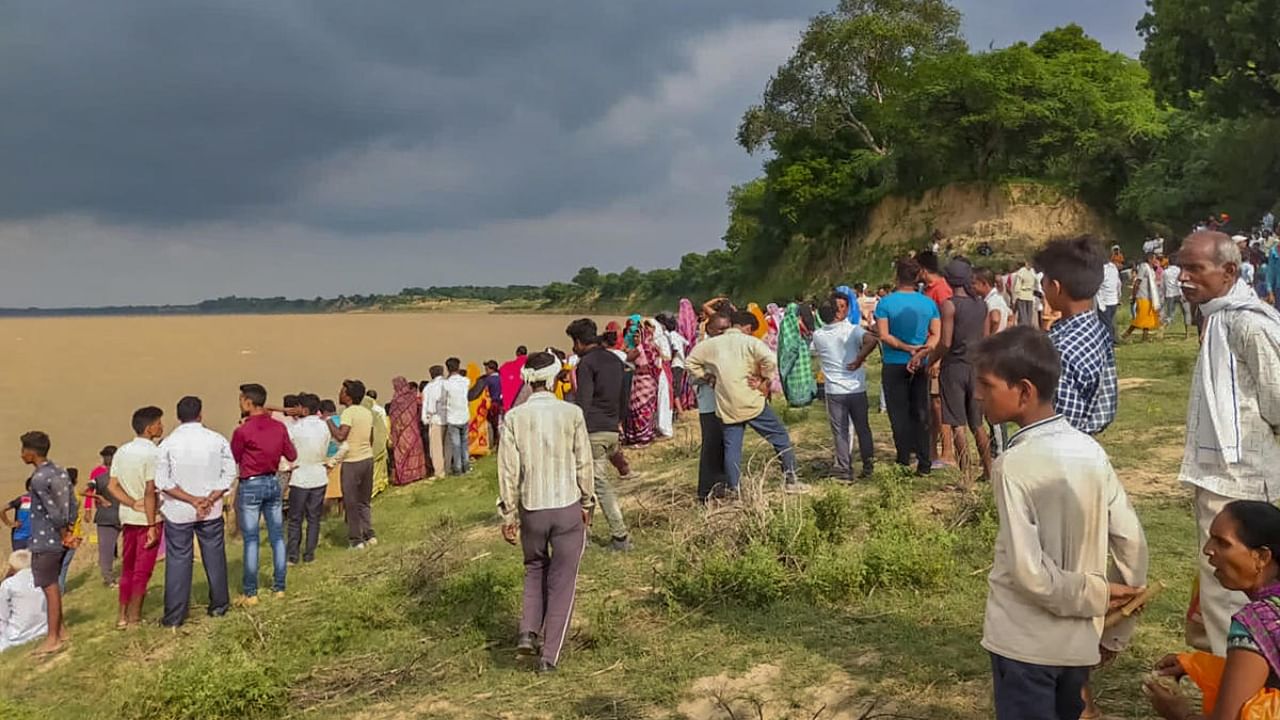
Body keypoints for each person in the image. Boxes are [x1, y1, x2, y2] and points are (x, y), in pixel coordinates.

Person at [971, 327, 1148, 720]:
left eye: (986, 384)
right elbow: (1132, 543)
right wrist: (1114, 630)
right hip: (1078, 644)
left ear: (1024, 391)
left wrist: (1097, 596)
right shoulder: (1090, 450)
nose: (979, 395)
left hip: (1022, 644)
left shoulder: (1012, 466)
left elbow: (1030, 574)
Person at [1176, 230, 1280, 657]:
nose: (1182, 277)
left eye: (1194, 268)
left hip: (1244, 485)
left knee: (1235, 598)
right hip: (1218, 478)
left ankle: (1238, 693)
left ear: (1229, 271)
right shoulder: (1217, 316)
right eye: (1180, 266)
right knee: (1218, 595)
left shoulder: (1249, 324)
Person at [497, 352, 594, 674]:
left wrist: (508, 515)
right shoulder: (572, 413)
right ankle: (549, 656)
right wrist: (588, 503)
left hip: (532, 509)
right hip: (566, 506)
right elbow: (584, 463)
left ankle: (527, 631)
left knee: (534, 569)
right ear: (554, 379)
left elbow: (508, 471)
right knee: (562, 583)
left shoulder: (514, 417)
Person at [1146, 502, 1280, 719]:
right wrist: (1197, 665)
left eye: (1222, 543)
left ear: (1262, 557)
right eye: (1210, 538)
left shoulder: (1256, 623)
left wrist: (1181, 714)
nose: (1208, 549)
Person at [685, 310, 809, 495]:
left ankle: (735, 490)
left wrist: (708, 377)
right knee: (780, 437)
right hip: (751, 401)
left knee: (732, 449)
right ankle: (791, 479)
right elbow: (770, 360)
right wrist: (763, 379)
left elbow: (690, 363)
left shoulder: (711, 345)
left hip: (727, 404)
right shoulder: (750, 342)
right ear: (747, 328)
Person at [155, 396, 234, 628]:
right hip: (210, 510)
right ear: (200, 414)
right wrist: (208, 499)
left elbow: (163, 481)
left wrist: (191, 500)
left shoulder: (167, 444)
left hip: (179, 511)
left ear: (178, 417)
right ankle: (219, 606)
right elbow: (229, 473)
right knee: (214, 557)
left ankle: (175, 617)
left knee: (179, 561)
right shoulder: (216, 440)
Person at [1034, 236, 1120, 437]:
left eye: (1043, 281)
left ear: (1056, 287)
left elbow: (1062, 422)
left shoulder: (1059, 347)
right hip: (1088, 438)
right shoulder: (1097, 329)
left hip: (1063, 447)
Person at [565, 319, 631, 551]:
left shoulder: (586, 364)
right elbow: (624, 396)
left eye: (574, 343)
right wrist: (618, 422)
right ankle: (584, 531)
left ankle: (620, 536)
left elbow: (583, 399)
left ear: (580, 342)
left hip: (593, 430)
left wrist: (574, 428)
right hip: (612, 428)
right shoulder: (615, 360)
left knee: (598, 484)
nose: (573, 349)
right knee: (588, 483)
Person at [928, 258, 993, 482]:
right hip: (976, 367)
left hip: (954, 368)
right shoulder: (981, 304)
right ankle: (988, 470)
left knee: (958, 425)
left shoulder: (949, 305)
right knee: (978, 425)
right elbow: (985, 339)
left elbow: (945, 342)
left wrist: (932, 359)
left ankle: (966, 477)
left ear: (948, 280)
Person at [230, 384, 296, 604]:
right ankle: (279, 587)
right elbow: (291, 454)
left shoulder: (243, 430)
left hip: (251, 483)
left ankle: (251, 592)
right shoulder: (278, 427)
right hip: (272, 480)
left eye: (241, 400)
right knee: (277, 535)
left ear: (248, 403)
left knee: (251, 540)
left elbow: (236, 456)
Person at [875, 258, 941, 475]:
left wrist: (906, 348)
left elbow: (883, 335)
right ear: (917, 277)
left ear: (897, 277)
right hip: (920, 364)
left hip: (894, 362)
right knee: (921, 411)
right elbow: (935, 335)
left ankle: (903, 457)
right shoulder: (928, 303)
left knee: (898, 413)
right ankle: (924, 461)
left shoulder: (885, 303)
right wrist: (921, 351)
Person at [20, 431, 76, 655]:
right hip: (59, 537)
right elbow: (71, 503)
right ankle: (61, 631)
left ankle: (52, 638)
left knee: (49, 586)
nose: (21, 454)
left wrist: (63, 533)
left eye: (23, 450)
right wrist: (70, 530)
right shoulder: (59, 471)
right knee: (51, 583)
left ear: (31, 453)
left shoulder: (39, 478)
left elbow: (53, 511)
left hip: (46, 538)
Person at [108, 407, 163, 628]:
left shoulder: (122, 451)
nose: (161, 426)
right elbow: (151, 490)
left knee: (127, 567)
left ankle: (122, 615)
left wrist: (130, 502)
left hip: (128, 516)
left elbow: (113, 486)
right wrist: (151, 524)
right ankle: (134, 617)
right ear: (149, 428)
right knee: (143, 569)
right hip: (148, 519)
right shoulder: (153, 453)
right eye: (159, 423)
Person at [811, 300, 878, 480]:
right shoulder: (852, 330)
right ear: (838, 313)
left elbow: (815, 351)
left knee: (840, 431)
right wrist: (859, 358)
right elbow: (872, 340)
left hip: (834, 390)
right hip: (856, 387)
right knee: (863, 428)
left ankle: (843, 468)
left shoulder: (818, 335)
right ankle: (868, 465)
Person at [329, 380, 376, 550]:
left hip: (352, 461)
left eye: (342, 391)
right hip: (367, 459)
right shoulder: (366, 412)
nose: (339, 394)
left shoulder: (348, 413)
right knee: (364, 501)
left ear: (348, 396)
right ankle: (369, 534)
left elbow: (341, 436)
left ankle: (356, 539)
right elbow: (371, 438)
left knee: (351, 502)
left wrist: (329, 422)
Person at [285, 394, 329, 564]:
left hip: (300, 476)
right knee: (314, 517)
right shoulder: (324, 427)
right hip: (319, 475)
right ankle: (309, 554)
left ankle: (293, 555)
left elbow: (287, 449)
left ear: (303, 409)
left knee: (295, 518)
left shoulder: (295, 428)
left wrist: (287, 466)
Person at [692, 314, 730, 501]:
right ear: (710, 330)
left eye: (727, 328)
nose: (724, 333)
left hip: (727, 404)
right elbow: (691, 375)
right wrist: (708, 377)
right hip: (709, 405)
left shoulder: (728, 347)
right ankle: (705, 491)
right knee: (711, 447)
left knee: (726, 445)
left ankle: (723, 485)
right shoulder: (701, 349)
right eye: (720, 329)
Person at [622, 320, 661, 446]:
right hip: (650, 381)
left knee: (639, 409)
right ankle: (647, 435)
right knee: (646, 408)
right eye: (634, 336)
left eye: (638, 335)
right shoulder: (652, 346)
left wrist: (626, 347)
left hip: (642, 382)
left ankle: (641, 437)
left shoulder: (640, 348)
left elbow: (626, 358)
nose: (635, 338)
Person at [0, 550, 47, 651]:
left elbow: (2, 616)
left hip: (17, 636)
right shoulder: (43, 578)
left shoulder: (8, 585)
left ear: (12, 566)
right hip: (43, 629)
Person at [86, 446, 119, 586]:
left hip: (109, 513)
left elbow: (86, 490)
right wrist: (89, 507)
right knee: (108, 547)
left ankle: (109, 577)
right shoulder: (98, 472)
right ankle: (109, 577)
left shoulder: (100, 474)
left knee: (107, 548)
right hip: (116, 512)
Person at [388, 377, 427, 486]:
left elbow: (393, 419)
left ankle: (404, 477)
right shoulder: (412, 397)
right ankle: (417, 475)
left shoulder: (394, 402)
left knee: (402, 455)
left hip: (400, 434)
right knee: (414, 453)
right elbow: (421, 407)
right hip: (413, 431)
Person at [777, 303, 817, 407]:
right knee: (801, 372)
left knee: (795, 374)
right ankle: (803, 398)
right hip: (801, 352)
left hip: (796, 354)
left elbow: (788, 346)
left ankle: (799, 399)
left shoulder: (787, 321)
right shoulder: (795, 321)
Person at [1123, 253, 1163, 342]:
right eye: (1154, 259)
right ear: (1149, 259)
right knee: (1141, 317)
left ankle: (1145, 338)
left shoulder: (1151, 269)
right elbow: (1137, 282)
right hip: (1142, 296)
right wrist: (1133, 296)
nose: (1155, 261)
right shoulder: (1143, 267)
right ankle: (1126, 334)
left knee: (1148, 318)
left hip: (1150, 297)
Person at [443, 358, 472, 475]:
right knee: (464, 443)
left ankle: (458, 468)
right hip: (464, 414)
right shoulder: (465, 381)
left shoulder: (446, 384)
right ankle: (466, 465)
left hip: (452, 416)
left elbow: (444, 399)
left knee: (456, 445)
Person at [468, 361, 504, 447]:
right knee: (499, 424)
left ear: (491, 369)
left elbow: (478, 392)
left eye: (487, 369)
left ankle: (493, 442)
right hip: (501, 403)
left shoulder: (487, 380)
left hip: (492, 404)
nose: (486, 371)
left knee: (491, 425)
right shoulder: (502, 378)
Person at [421, 366, 447, 480]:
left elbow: (426, 406)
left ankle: (439, 472)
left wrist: (425, 420)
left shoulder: (429, 388)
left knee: (436, 448)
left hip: (436, 419)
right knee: (448, 445)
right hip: (450, 418)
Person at [1161, 260, 1192, 339]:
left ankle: (1162, 329)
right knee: (1186, 313)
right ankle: (1187, 334)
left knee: (1170, 314)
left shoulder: (1165, 272)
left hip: (1170, 294)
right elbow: (1182, 283)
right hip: (1180, 293)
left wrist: (1164, 295)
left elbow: (1163, 285)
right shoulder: (1180, 271)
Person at [1095, 255, 1122, 344]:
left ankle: (1109, 341)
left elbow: (1098, 284)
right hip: (1113, 300)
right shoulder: (1114, 268)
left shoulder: (1102, 270)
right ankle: (1113, 339)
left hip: (1104, 301)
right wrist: (1119, 296)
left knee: (1105, 323)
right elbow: (1118, 284)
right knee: (1110, 321)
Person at [3, 483, 32, 552]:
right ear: (30, 487)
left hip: (36, 538)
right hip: (20, 537)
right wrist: (9, 523)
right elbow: (2, 509)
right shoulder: (24, 499)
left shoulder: (43, 500)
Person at [1012, 260, 1039, 327]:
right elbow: (1018, 284)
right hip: (1022, 295)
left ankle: (1027, 328)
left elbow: (1036, 283)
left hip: (1030, 295)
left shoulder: (1033, 271)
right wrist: (1016, 295)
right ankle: (1023, 327)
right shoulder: (1021, 271)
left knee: (1029, 316)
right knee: (1023, 315)